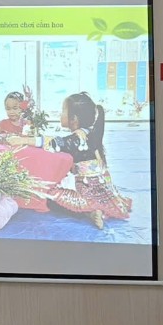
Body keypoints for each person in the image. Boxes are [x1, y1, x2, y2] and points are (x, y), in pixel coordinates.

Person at [47, 92, 132, 229]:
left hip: (87, 192)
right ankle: (96, 208)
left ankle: (89, 212)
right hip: (105, 191)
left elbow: (52, 143)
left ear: (74, 119)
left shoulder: (76, 139)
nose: (60, 114)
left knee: (49, 197)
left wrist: (24, 140)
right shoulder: (91, 133)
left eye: (63, 111)